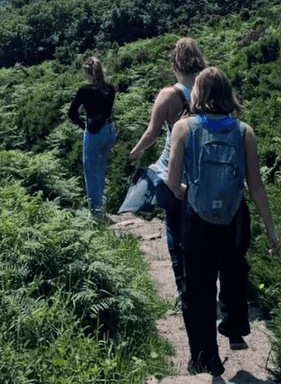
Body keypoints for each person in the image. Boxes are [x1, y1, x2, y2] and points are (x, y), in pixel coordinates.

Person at [166, 66, 280, 376]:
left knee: (198, 288)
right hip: (234, 215)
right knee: (233, 268)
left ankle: (205, 358)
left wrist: (189, 191)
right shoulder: (243, 131)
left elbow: (173, 183)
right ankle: (234, 326)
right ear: (228, 94)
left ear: (198, 94)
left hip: (196, 217)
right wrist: (270, 227)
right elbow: (255, 184)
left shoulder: (184, 128)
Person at [119, 37, 207, 304]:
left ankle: (185, 291)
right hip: (204, 172)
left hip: (175, 172)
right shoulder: (209, 87)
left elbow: (151, 133)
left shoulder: (169, 95)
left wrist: (135, 152)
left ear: (173, 63)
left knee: (176, 232)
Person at [67, 57, 117, 219]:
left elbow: (72, 113)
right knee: (101, 169)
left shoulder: (84, 91)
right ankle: (100, 204)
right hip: (109, 130)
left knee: (91, 172)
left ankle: (96, 213)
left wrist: (85, 127)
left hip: (94, 133)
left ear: (87, 73)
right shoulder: (110, 89)